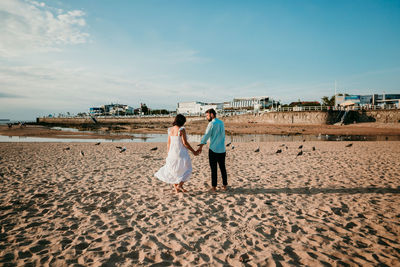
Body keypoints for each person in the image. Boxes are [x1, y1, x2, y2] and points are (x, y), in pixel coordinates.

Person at [155, 114, 198, 193]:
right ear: (182, 121)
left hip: (172, 153)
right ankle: (180, 185)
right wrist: (194, 151)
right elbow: (185, 143)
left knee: (174, 170)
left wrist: (168, 153)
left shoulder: (170, 130)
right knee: (188, 169)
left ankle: (176, 188)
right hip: (181, 152)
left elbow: (168, 143)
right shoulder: (182, 129)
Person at [197, 109, 227, 192]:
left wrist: (201, 146)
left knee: (214, 169)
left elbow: (206, 135)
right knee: (222, 168)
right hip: (222, 149)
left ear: (212, 115)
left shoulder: (211, 123)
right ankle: (225, 185)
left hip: (213, 149)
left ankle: (214, 187)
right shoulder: (221, 123)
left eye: (207, 115)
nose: (206, 117)